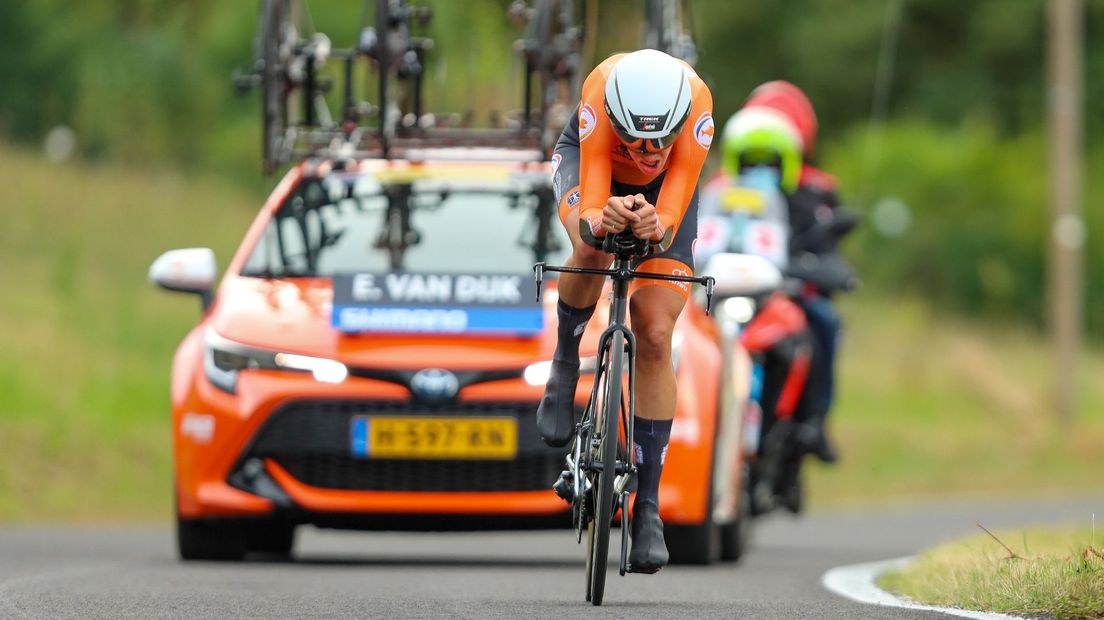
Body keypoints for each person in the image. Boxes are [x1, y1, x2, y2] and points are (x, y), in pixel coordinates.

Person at [537, 48, 714, 573]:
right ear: (616, 118)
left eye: (659, 140)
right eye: (634, 139)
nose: (646, 151)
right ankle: (565, 364)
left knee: (656, 331)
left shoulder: (699, 106)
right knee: (590, 247)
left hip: (664, 198)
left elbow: (673, 205)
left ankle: (649, 508)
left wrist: (654, 223)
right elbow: (591, 203)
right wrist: (601, 216)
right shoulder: (598, 90)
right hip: (593, 168)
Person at [719, 81, 850, 464]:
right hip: (726, 293)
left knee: (823, 322)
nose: (761, 170)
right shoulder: (715, 190)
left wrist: (820, 270)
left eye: (770, 160)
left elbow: (827, 247)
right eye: (752, 160)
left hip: (789, 292)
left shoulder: (814, 192)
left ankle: (814, 423)